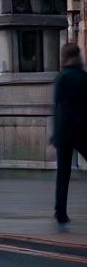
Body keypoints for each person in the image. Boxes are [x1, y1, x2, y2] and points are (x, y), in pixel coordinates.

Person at [53, 43, 87, 225]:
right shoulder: (83, 77)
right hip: (81, 130)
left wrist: (55, 132)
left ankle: (60, 211)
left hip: (63, 131)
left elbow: (56, 105)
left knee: (62, 173)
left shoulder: (61, 77)